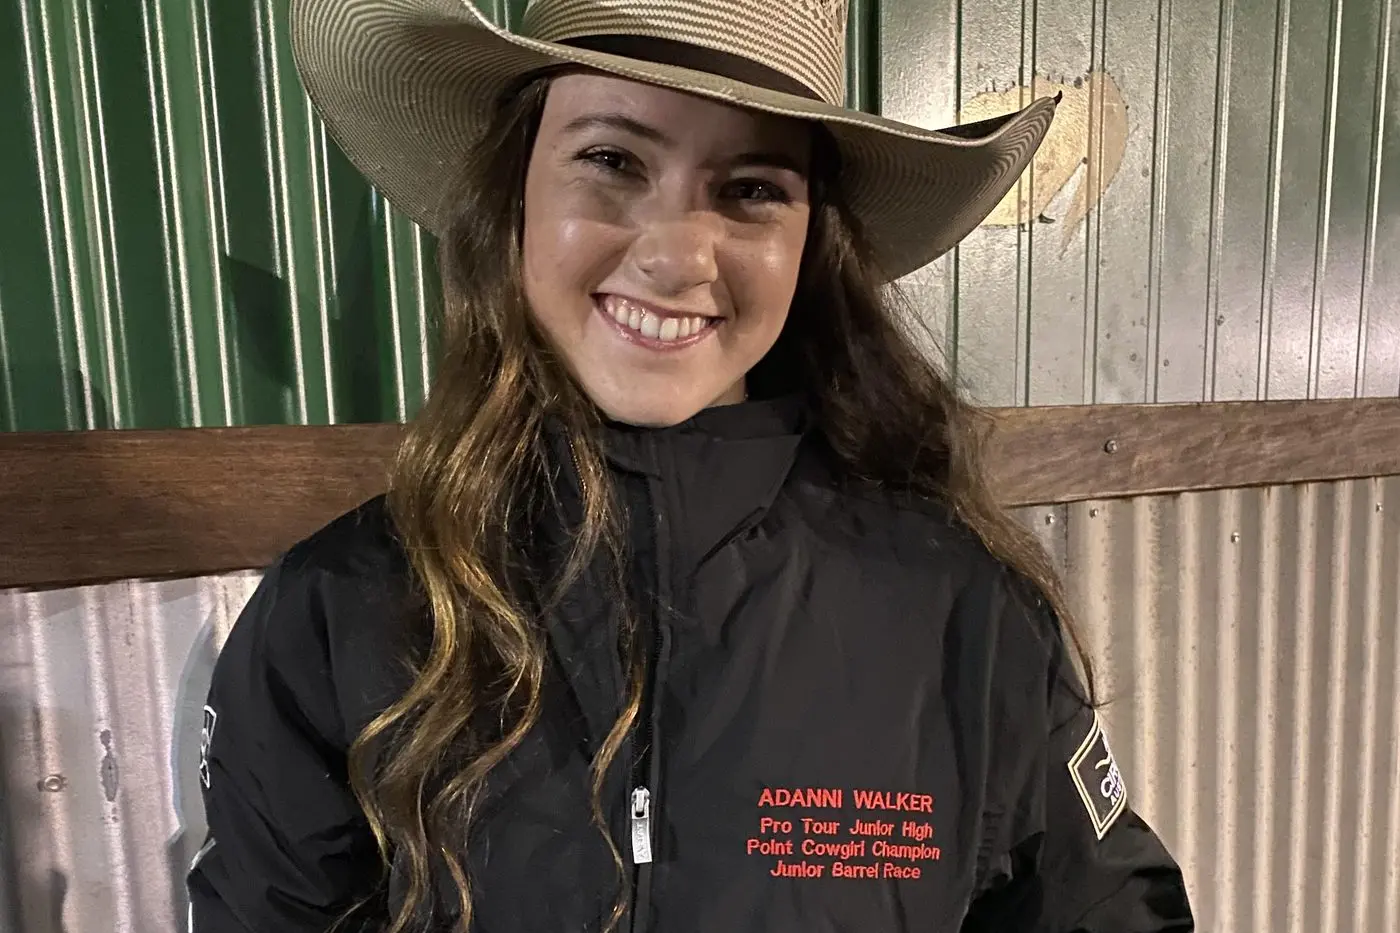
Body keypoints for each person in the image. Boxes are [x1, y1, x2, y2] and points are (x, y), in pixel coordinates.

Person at [187, 0, 1194, 931]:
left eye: (750, 188)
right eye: (613, 159)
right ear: (516, 195)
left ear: (811, 242)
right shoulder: (334, 614)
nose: (676, 256)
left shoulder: (959, 616)